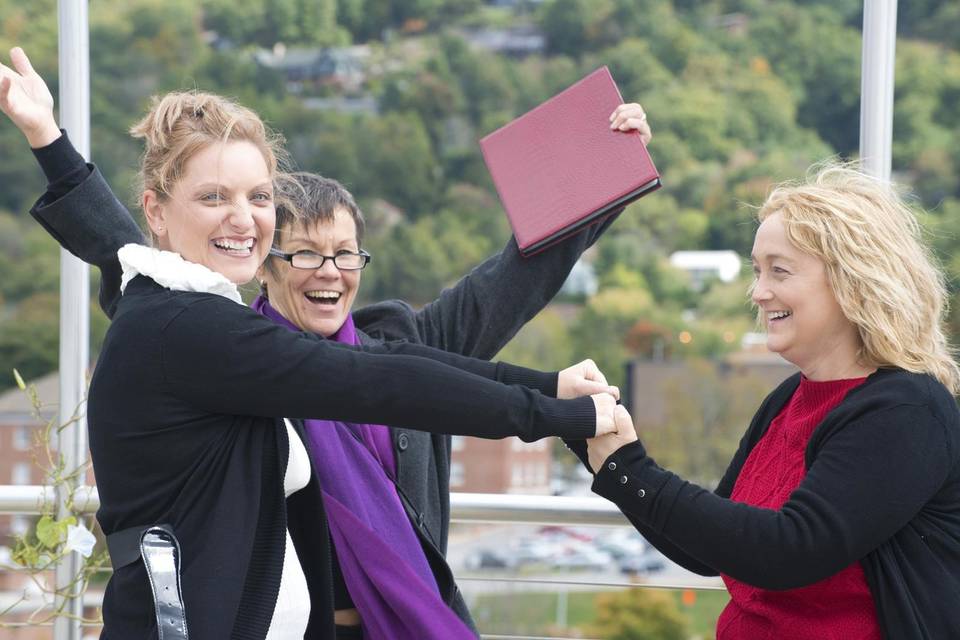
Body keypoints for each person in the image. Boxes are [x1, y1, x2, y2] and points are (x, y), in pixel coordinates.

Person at [0, 47, 637, 639]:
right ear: (272, 264)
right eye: (305, 254)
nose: (327, 271)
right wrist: (561, 416)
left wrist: (608, 167)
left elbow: (447, 335)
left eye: (344, 254)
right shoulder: (206, 334)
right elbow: (132, 248)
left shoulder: (372, 338)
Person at [575, 164, 960, 639]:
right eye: (757, 271)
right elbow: (708, 550)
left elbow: (788, 550)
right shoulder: (789, 398)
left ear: (853, 281)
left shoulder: (906, 412)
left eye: (779, 270)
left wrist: (632, 470)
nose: (758, 292)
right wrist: (599, 447)